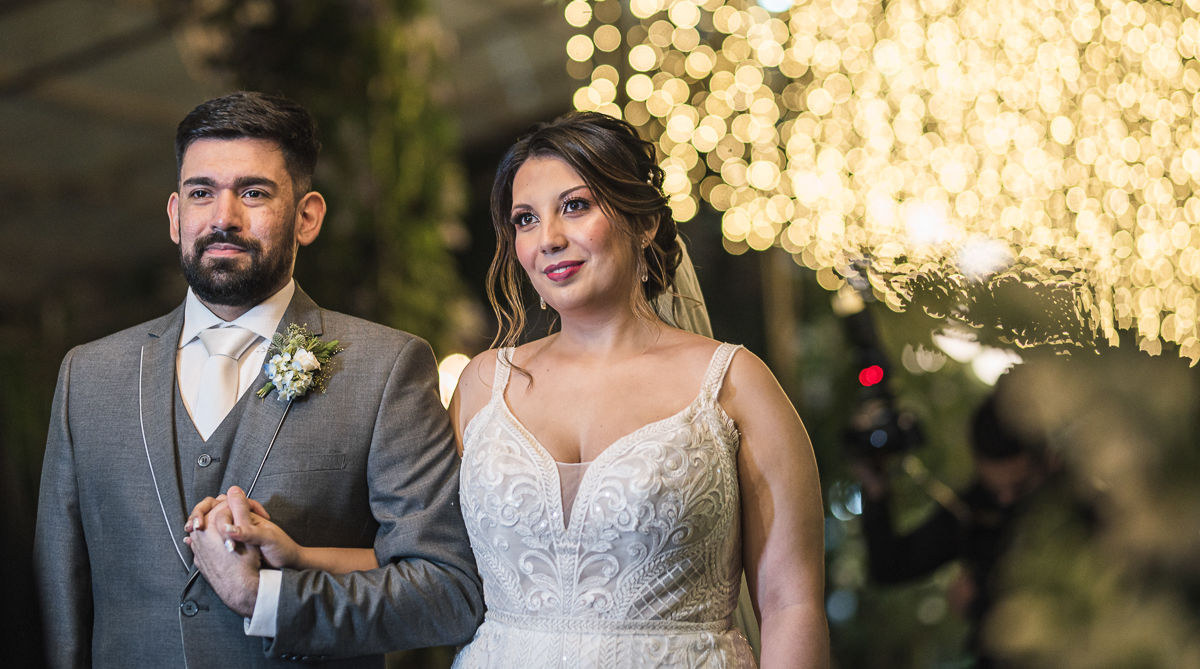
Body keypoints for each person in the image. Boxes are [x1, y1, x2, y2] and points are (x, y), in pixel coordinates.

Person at [201, 112, 829, 668]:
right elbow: (440, 568)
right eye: (526, 219)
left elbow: (790, 603)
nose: (548, 238)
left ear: (642, 222)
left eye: (576, 206)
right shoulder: (482, 386)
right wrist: (298, 554)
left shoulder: (734, 385)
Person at [33, 92, 484, 669]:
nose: (223, 217)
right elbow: (62, 595)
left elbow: (447, 593)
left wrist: (269, 599)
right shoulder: (87, 377)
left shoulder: (385, 368)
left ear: (307, 216)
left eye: (253, 192)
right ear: (174, 215)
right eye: (202, 192)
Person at [856, 386, 1053, 668]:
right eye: (994, 488)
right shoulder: (972, 508)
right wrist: (875, 489)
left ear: (1049, 459)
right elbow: (890, 566)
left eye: (1019, 487)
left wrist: (982, 600)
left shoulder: (1076, 506)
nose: (1005, 499)